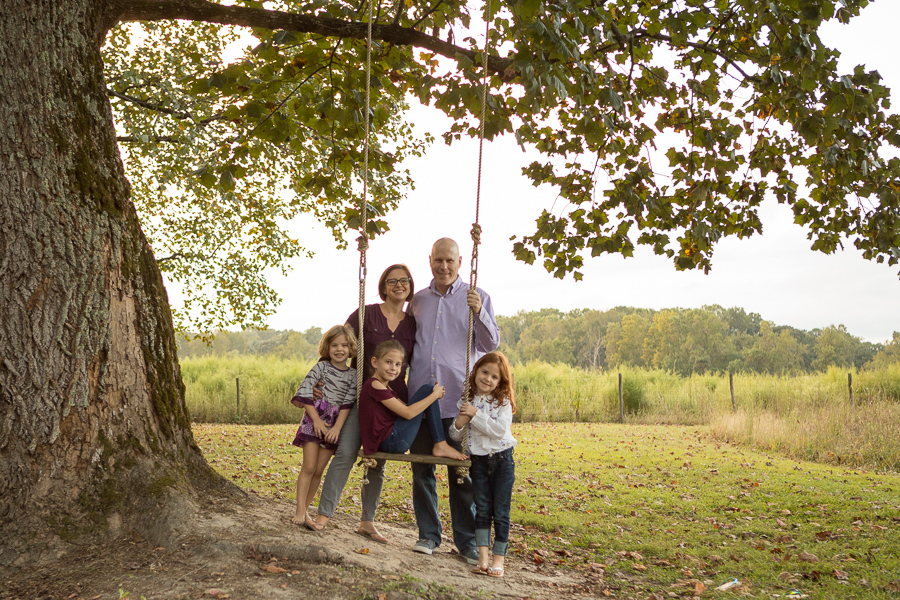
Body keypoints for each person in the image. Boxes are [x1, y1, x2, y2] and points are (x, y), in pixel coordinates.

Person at [407, 237, 501, 564]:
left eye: (450, 261)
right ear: (429, 260)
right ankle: (428, 535)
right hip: (420, 400)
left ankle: (466, 543)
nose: (444, 267)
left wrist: (479, 312)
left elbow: (491, 344)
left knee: (462, 475)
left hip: (457, 401)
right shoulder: (417, 300)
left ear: (460, 263)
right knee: (423, 471)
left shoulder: (477, 297)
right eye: (438, 260)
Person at [314, 265, 417, 543]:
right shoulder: (365, 314)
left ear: (410, 286)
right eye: (392, 281)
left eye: (404, 281)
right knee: (346, 453)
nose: (399, 285)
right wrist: (323, 375)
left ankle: (367, 522)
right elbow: (341, 344)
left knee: (376, 462)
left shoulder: (412, 322)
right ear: (383, 286)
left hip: (392, 402)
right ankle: (323, 515)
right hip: (360, 398)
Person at [357, 341, 468, 532]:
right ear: (375, 362)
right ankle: (440, 443)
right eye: (388, 362)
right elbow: (408, 414)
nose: (393, 368)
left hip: (390, 439)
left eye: (398, 365)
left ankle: (439, 443)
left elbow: (406, 412)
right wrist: (434, 395)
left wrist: (430, 396)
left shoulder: (384, 387)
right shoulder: (374, 385)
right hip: (392, 441)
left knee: (427, 391)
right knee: (427, 390)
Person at [449, 351, 517, 578]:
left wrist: (475, 415)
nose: (488, 379)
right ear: (476, 371)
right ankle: (483, 558)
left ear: (501, 381)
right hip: (478, 461)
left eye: (494, 377)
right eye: (484, 372)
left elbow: (499, 431)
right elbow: (457, 436)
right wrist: (461, 421)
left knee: (500, 511)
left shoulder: (502, 401)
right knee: (482, 509)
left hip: (502, 459)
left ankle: (499, 559)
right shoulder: (465, 401)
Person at [289, 325, 358, 530]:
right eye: (334, 345)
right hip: (314, 419)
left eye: (344, 345)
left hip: (333, 423)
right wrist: (317, 421)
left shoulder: (353, 375)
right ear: (327, 347)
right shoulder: (321, 368)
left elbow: (347, 403)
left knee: (319, 470)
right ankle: (299, 510)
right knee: (309, 466)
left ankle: (307, 509)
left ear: (350, 348)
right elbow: (306, 391)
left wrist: (337, 428)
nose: (339, 349)